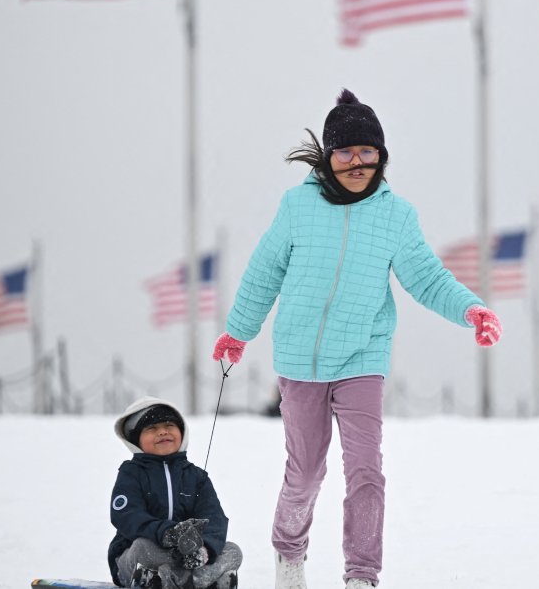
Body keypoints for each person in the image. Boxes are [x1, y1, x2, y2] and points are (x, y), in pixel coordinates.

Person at [211, 89, 503, 589]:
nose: (358, 162)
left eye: (368, 152)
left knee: (366, 470)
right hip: (300, 357)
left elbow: (426, 277)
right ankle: (290, 553)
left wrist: (470, 308)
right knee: (305, 473)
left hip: (363, 354)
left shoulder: (396, 216)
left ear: (381, 157)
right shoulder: (297, 206)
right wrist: (239, 332)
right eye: (346, 152)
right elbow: (264, 273)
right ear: (327, 157)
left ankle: (362, 576)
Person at [108, 396, 243, 589]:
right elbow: (127, 516)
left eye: (169, 425)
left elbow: (214, 517)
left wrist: (203, 549)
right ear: (135, 439)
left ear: (182, 432)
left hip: (185, 559)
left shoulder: (197, 476)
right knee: (143, 548)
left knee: (232, 551)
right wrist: (168, 533)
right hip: (140, 556)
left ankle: (190, 580)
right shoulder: (131, 473)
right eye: (151, 429)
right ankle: (160, 580)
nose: (162, 432)